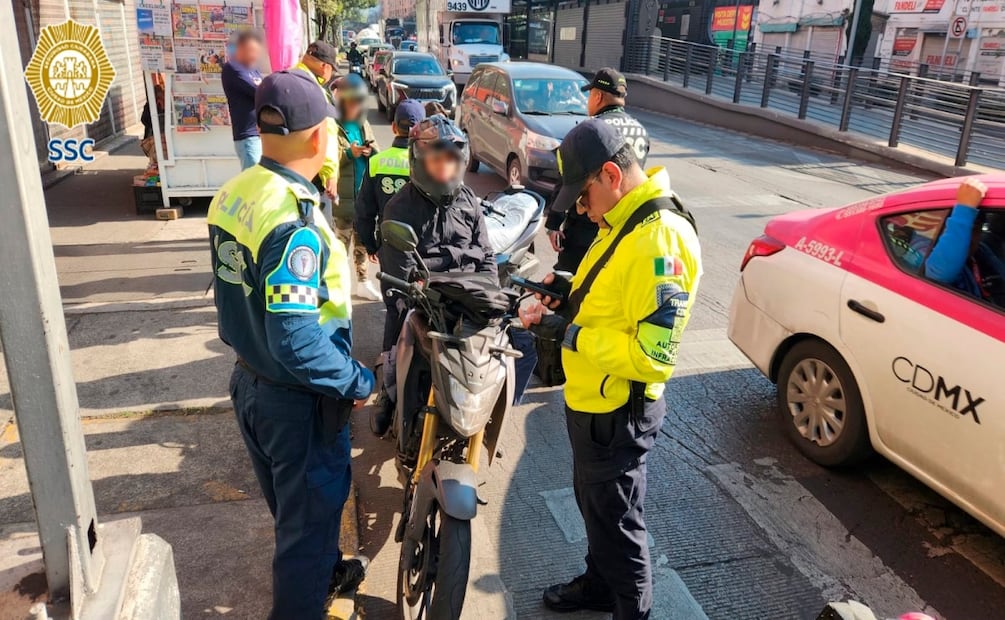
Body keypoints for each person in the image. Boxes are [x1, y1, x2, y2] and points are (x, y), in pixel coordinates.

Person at [206, 71, 375, 619]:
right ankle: (309, 586)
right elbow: (297, 336)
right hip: (296, 402)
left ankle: (328, 569)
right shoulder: (295, 221)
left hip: (250, 383)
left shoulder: (236, 192)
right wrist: (355, 381)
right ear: (318, 137)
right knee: (303, 532)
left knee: (299, 516)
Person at [520, 119, 701, 620]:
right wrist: (564, 284)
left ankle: (629, 610)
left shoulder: (660, 239)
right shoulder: (626, 221)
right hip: (592, 402)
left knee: (619, 528)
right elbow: (612, 289)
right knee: (596, 511)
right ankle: (600, 586)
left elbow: (653, 355)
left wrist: (570, 334)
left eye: (583, 196)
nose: (581, 208)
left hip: (617, 411)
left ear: (610, 175)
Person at [370, 116, 497, 436]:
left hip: (467, 298)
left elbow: (486, 254)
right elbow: (397, 274)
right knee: (398, 320)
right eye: (437, 160)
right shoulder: (400, 206)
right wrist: (409, 290)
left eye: (452, 160)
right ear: (419, 161)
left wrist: (491, 292)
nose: (445, 168)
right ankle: (388, 390)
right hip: (423, 299)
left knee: (512, 345)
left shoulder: (469, 200)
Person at [546, 67, 651, 273]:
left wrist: (553, 223)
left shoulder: (593, 131)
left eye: (590, 95)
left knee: (569, 282)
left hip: (584, 230)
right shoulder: (640, 130)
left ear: (598, 96)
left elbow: (567, 180)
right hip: (624, 225)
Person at [333, 73, 381, 300]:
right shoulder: (333, 126)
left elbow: (378, 151)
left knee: (361, 243)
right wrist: (349, 154)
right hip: (342, 199)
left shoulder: (364, 124)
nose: (355, 108)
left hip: (364, 197)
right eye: (351, 104)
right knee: (340, 246)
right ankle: (337, 285)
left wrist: (372, 151)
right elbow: (328, 160)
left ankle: (363, 282)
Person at [923, 177, 1005, 306]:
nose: (969, 235)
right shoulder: (924, 249)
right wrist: (964, 210)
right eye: (968, 227)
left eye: (976, 227)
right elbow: (940, 274)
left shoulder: (983, 251)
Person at [293, 41, 342, 219]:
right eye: (332, 69)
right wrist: (330, 175)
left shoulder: (284, 79)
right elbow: (325, 134)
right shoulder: (315, 91)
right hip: (310, 174)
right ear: (324, 66)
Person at [221, 30, 264, 169]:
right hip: (248, 136)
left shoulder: (252, 69)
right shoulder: (232, 67)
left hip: (260, 134)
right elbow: (259, 91)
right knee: (254, 181)